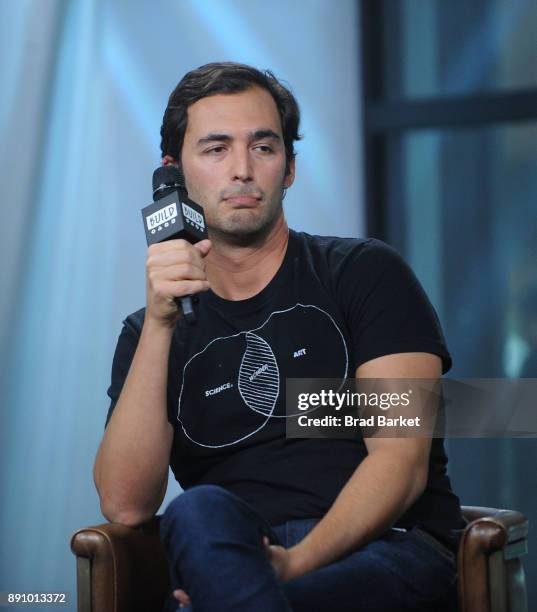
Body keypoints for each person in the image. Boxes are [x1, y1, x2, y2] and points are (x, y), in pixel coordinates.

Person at [93, 62, 465, 612]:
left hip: (386, 551)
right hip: (235, 555)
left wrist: (293, 565)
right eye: (216, 149)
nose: (242, 170)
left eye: (263, 148)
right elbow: (125, 506)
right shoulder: (149, 330)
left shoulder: (365, 273)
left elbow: (400, 464)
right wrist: (161, 322)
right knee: (195, 513)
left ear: (289, 167)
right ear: (173, 176)